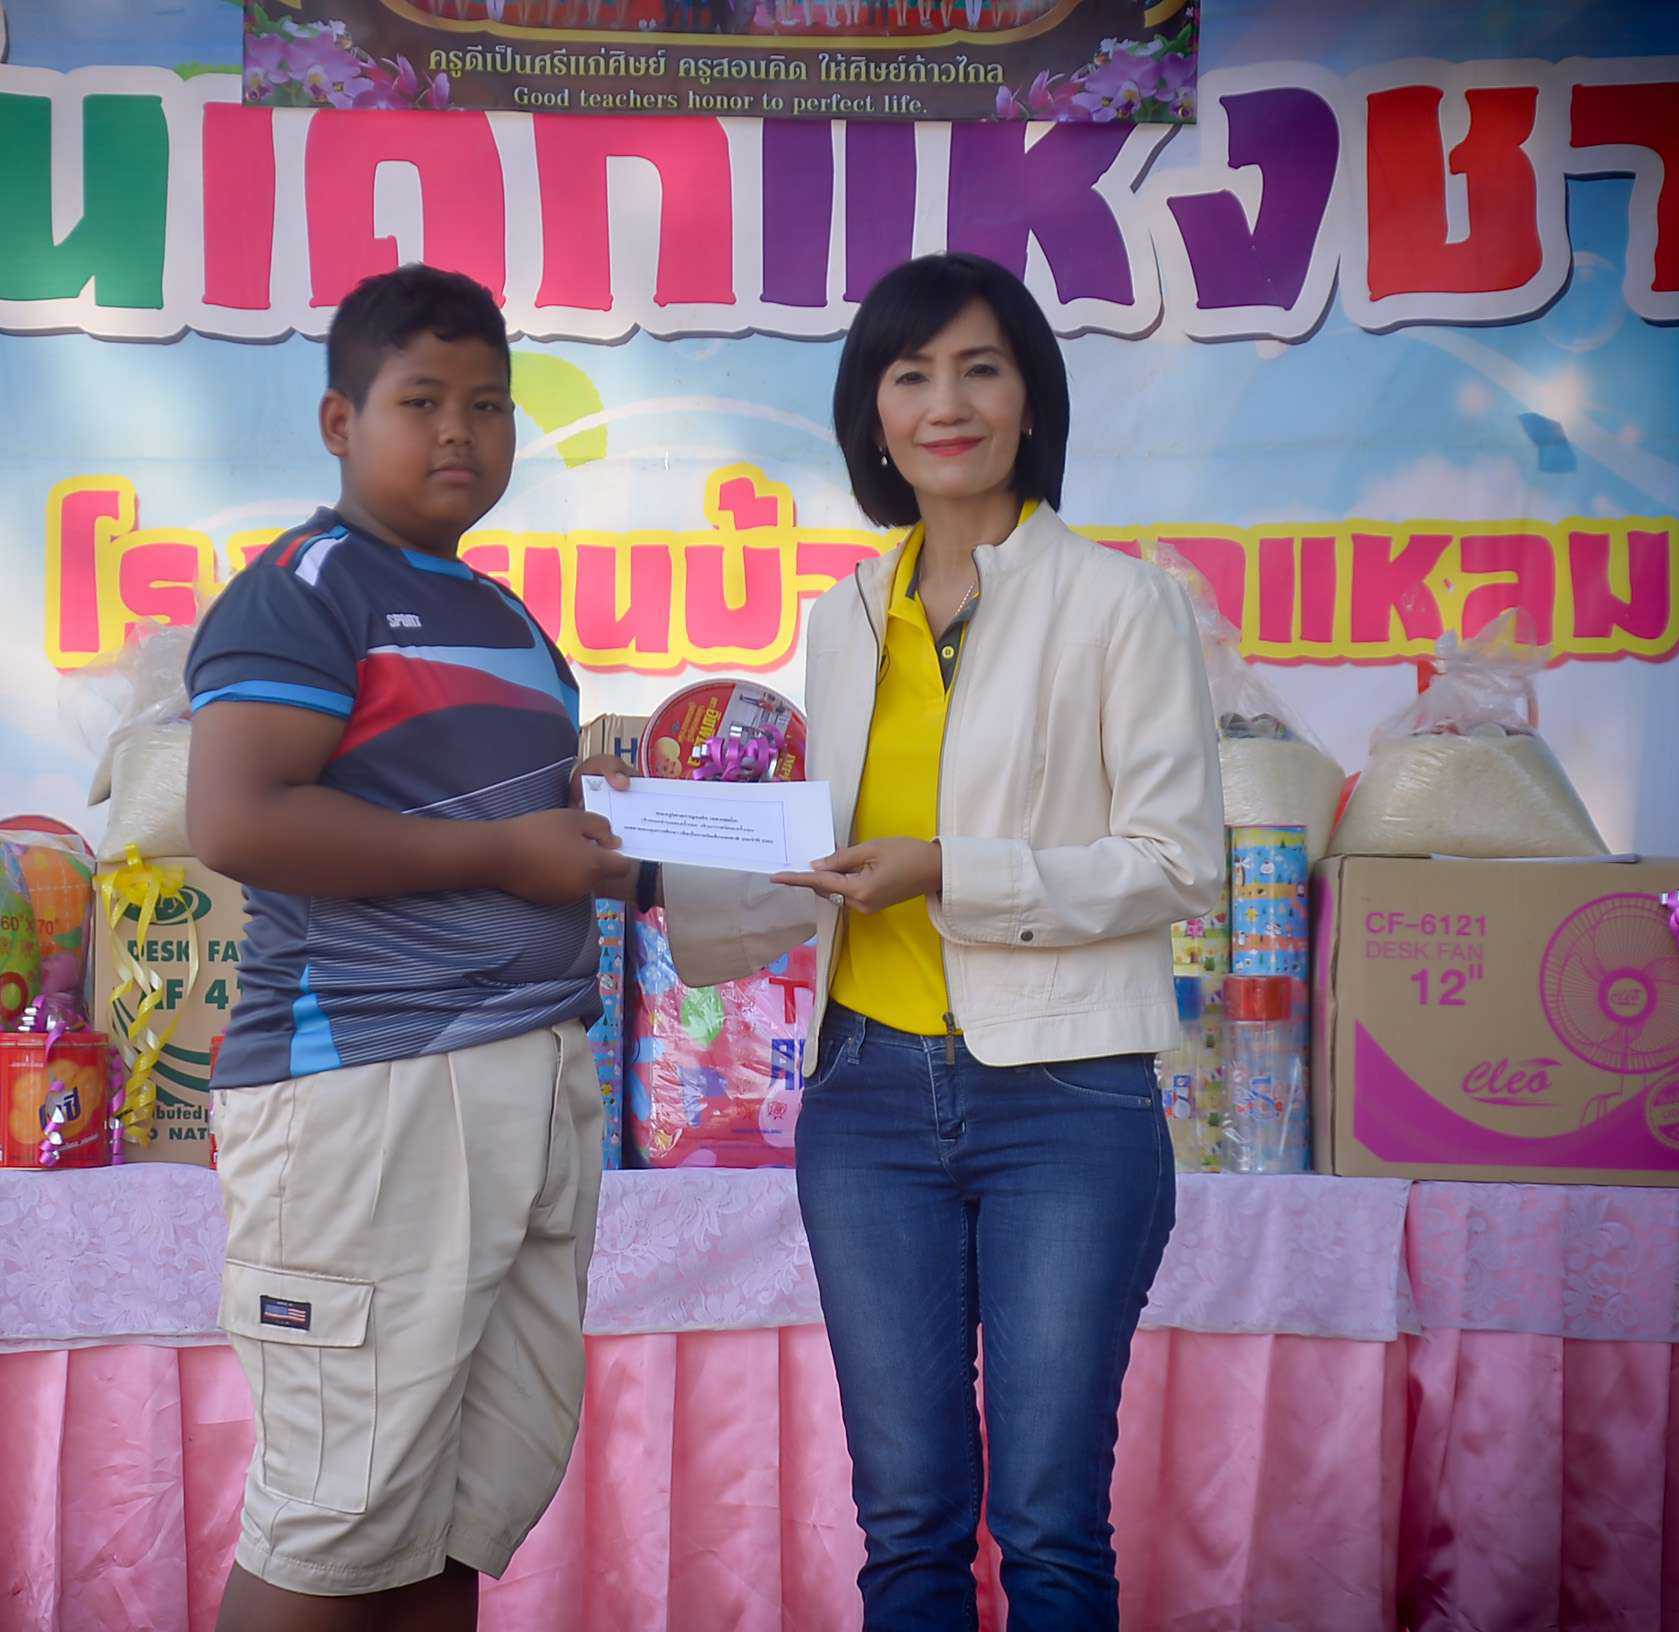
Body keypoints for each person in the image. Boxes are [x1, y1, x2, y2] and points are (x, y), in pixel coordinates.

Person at [649, 252, 1226, 1629]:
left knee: (1050, 1527)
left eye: (980, 369)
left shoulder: (1122, 603)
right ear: (874, 413)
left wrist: (947, 873)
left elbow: (1174, 865)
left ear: (1032, 399)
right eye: (910, 375)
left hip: (1066, 1098)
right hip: (866, 1099)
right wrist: (667, 845)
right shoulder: (843, 617)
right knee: (906, 1526)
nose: (945, 404)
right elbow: (828, 856)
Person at [184, 264, 641, 1632]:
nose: (459, 432)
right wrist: (510, 856)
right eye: (422, 400)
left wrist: (674, 841)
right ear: (339, 421)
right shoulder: (303, 590)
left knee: (453, 1510)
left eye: (489, 405)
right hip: (367, 1083)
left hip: (530, 1080)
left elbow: (534, 833)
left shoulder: (509, 618)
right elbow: (239, 820)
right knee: (337, 1517)